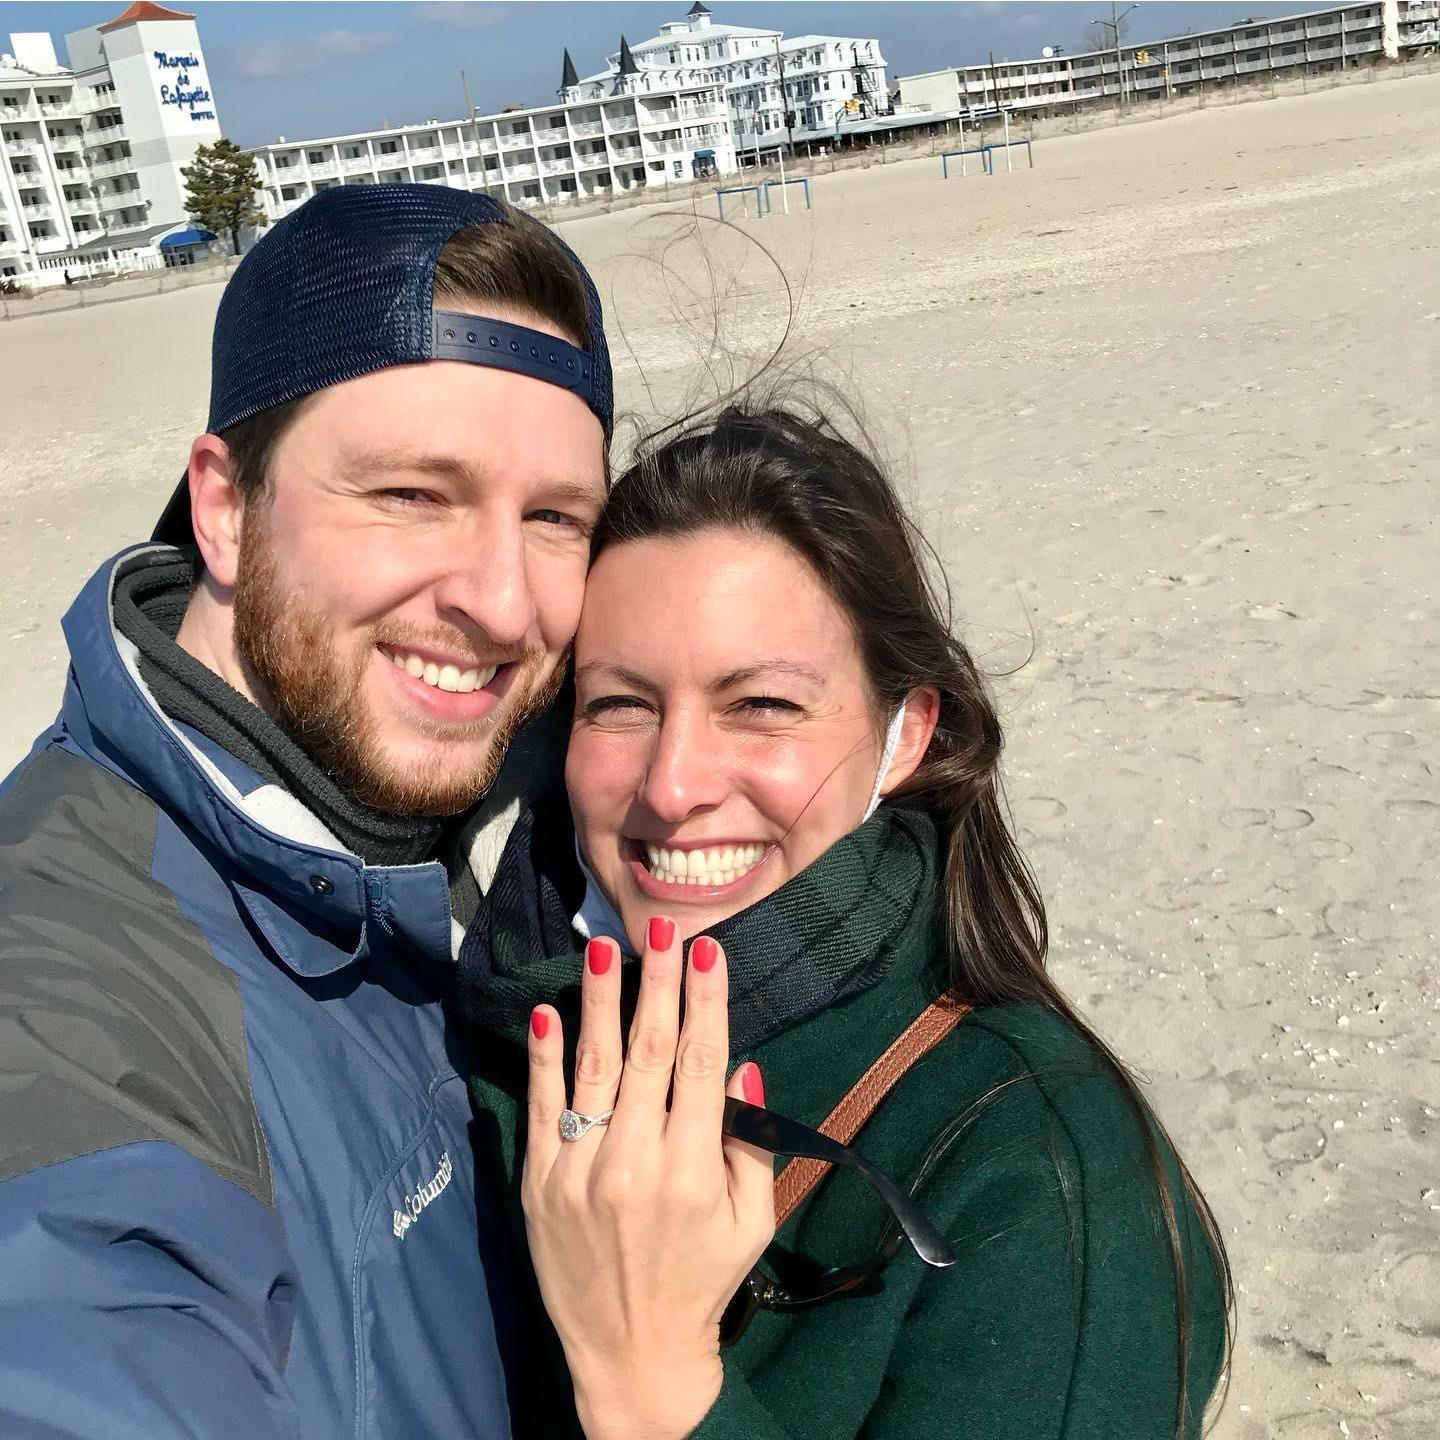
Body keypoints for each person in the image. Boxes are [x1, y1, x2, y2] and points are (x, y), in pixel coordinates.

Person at [461, 402, 1234, 1438]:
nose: (674, 784)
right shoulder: (487, 1031)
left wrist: (647, 1379)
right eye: (620, 704)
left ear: (904, 733)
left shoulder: (1044, 1175)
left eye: (763, 705)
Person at [0, 184, 612, 1437]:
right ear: (224, 507)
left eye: (555, 519)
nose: (501, 604)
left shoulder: (543, 807)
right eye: (409, 496)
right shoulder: (67, 980)